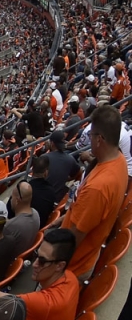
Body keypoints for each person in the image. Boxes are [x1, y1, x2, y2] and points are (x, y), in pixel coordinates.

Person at [57, 104, 129, 280]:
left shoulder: (99, 187)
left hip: (72, 266)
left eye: (91, 135)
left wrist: (51, 266)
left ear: (99, 139)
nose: (89, 139)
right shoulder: (119, 161)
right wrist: (61, 220)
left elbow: (73, 239)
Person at [2, 181, 39, 256]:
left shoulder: (11, 226)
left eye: (12, 197)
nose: (11, 199)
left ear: (16, 201)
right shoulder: (36, 214)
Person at [43, 130, 80, 203]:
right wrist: (65, 179)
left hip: (44, 198)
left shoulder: (44, 158)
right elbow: (79, 173)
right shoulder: (70, 159)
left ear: (52, 143)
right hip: (56, 199)